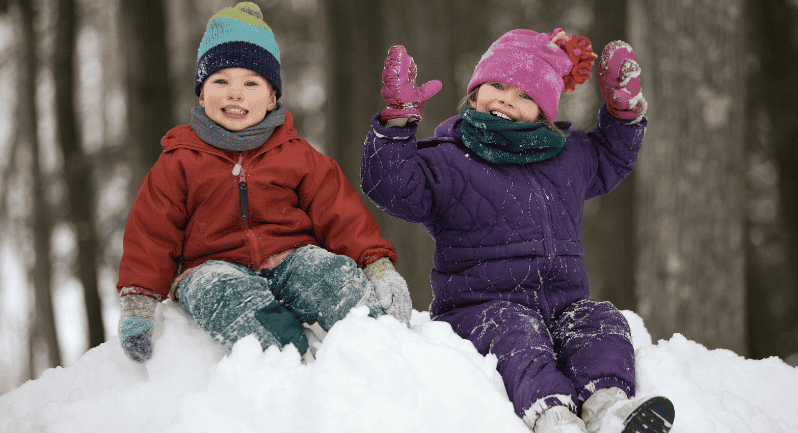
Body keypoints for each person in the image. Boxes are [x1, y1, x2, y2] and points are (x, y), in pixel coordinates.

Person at [361, 29, 674, 433]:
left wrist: (623, 112)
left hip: (563, 303)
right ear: (474, 95)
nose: (508, 98)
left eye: (525, 95)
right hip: (480, 306)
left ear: (544, 112)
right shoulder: (448, 160)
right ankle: (553, 415)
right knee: (516, 336)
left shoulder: (567, 156)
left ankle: (607, 405)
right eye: (497, 85)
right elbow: (390, 185)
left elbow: (611, 156)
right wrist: (398, 119)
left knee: (601, 321)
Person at [117, 2, 412, 366]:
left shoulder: (296, 155)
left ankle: (382, 345)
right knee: (220, 295)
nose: (235, 94)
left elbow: (342, 214)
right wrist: (138, 303)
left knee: (328, 273)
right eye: (220, 81)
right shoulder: (179, 161)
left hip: (291, 258)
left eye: (251, 83)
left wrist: (378, 267)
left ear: (272, 97)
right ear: (201, 93)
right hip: (212, 267)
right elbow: (151, 233)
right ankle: (289, 358)